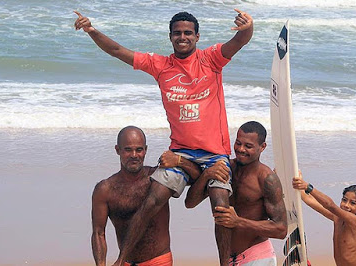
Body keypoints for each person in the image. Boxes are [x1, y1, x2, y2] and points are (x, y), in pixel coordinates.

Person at [75, 9, 253, 266]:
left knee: (221, 205)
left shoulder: (211, 59)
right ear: (170, 37)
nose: (183, 37)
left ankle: (226, 264)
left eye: (188, 33)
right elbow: (117, 51)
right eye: (177, 33)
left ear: (197, 36)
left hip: (215, 153)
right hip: (180, 152)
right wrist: (92, 31)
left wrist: (248, 26)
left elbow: (240, 41)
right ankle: (121, 259)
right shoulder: (160, 65)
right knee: (152, 200)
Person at [91, 126, 199, 266]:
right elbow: (99, 233)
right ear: (118, 150)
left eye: (139, 149)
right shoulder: (105, 189)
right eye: (128, 150)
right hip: (125, 262)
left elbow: (196, 177)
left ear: (145, 150)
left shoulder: (160, 178)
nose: (134, 155)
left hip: (159, 260)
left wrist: (179, 161)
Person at [185, 121, 287, 266]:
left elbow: (281, 229)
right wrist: (207, 175)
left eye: (248, 146)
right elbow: (190, 203)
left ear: (262, 147)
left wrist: (238, 221)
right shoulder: (225, 168)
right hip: (228, 260)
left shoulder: (266, 179)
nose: (240, 149)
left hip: (257, 257)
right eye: (238, 143)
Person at [293, 173, 356, 266]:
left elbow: (331, 206)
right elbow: (309, 200)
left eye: (353, 203)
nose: (346, 205)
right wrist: (296, 179)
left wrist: (308, 187)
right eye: (344, 200)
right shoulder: (337, 218)